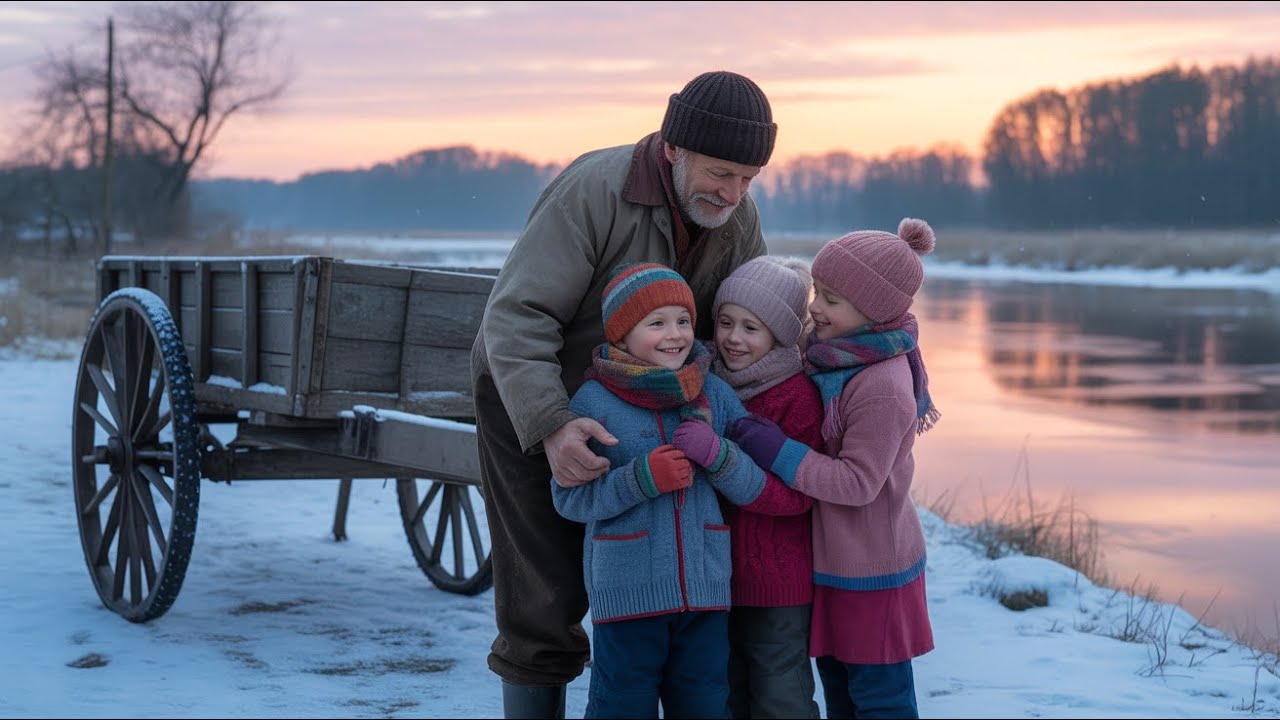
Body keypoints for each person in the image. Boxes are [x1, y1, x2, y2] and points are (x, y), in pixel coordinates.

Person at [470, 69, 778, 718]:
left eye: (748, 178)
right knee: (544, 590)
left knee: (681, 570)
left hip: (654, 414)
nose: (734, 193)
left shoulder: (737, 217)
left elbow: (750, 327)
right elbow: (518, 316)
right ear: (674, 149)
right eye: (722, 173)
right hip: (535, 391)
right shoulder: (595, 190)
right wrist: (552, 424)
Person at [728, 218, 941, 719]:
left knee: (879, 698)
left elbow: (858, 482)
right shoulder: (834, 359)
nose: (815, 308)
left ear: (874, 311)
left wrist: (774, 448)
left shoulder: (882, 386)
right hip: (832, 563)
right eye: (817, 293)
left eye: (831, 300)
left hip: (873, 568)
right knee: (841, 689)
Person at [551, 261, 767, 718]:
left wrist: (717, 454)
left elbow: (753, 487)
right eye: (657, 322)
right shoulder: (593, 403)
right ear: (622, 335)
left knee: (705, 706)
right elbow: (569, 497)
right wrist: (639, 479)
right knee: (621, 706)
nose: (676, 334)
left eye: (684, 321)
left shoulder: (715, 395)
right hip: (627, 595)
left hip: (704, 595)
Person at [708, 256, 824, 719]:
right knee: (727, 690)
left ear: (778, 335)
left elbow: (800, 495)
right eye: (725, 323)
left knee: (781, 695)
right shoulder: (709, 383)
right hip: (716, 575)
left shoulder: (796, 396)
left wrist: (729, 468)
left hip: (777, 579)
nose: (734, 338)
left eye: (750, 328)